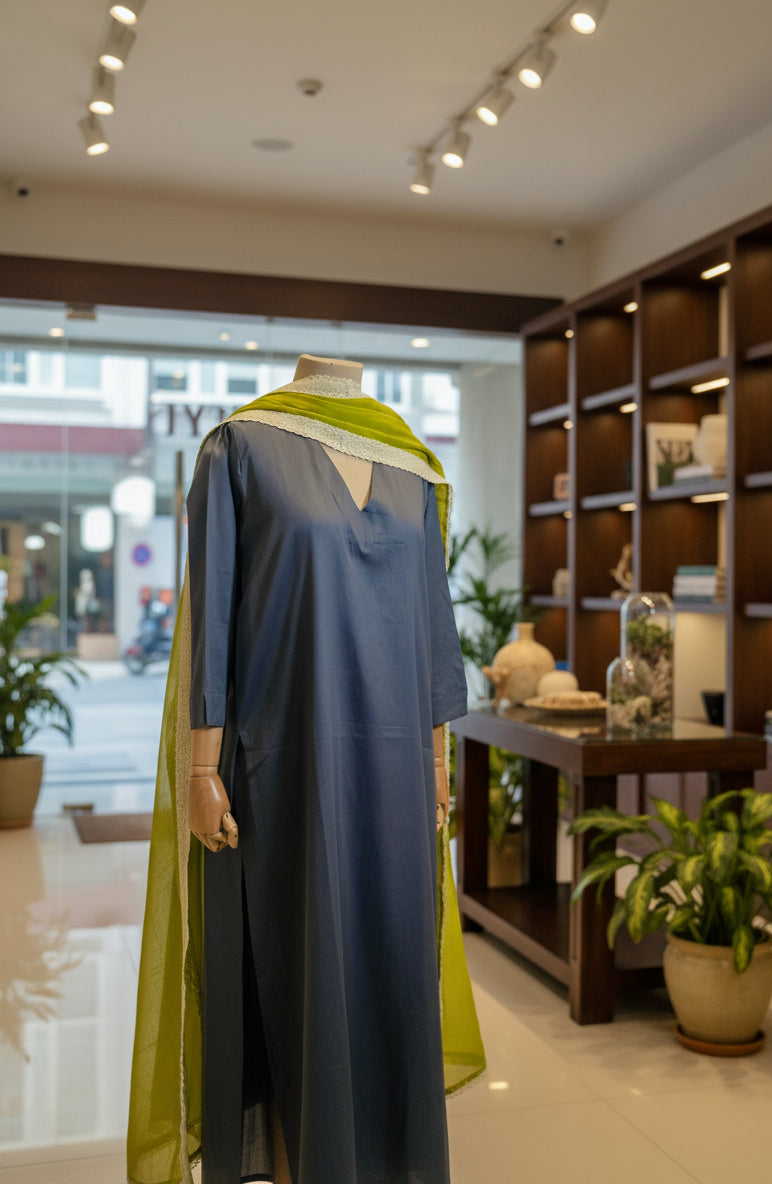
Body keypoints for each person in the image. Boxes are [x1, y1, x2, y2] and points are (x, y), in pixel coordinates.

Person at [128, 355, 485, 1184]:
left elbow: (434, 621)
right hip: (284, 763)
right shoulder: (239, 446)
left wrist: (438, 756)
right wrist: (200, 769)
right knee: (294, 970)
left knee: (391, 968)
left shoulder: (411, 462)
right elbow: (212, 612)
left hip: (398, 774)